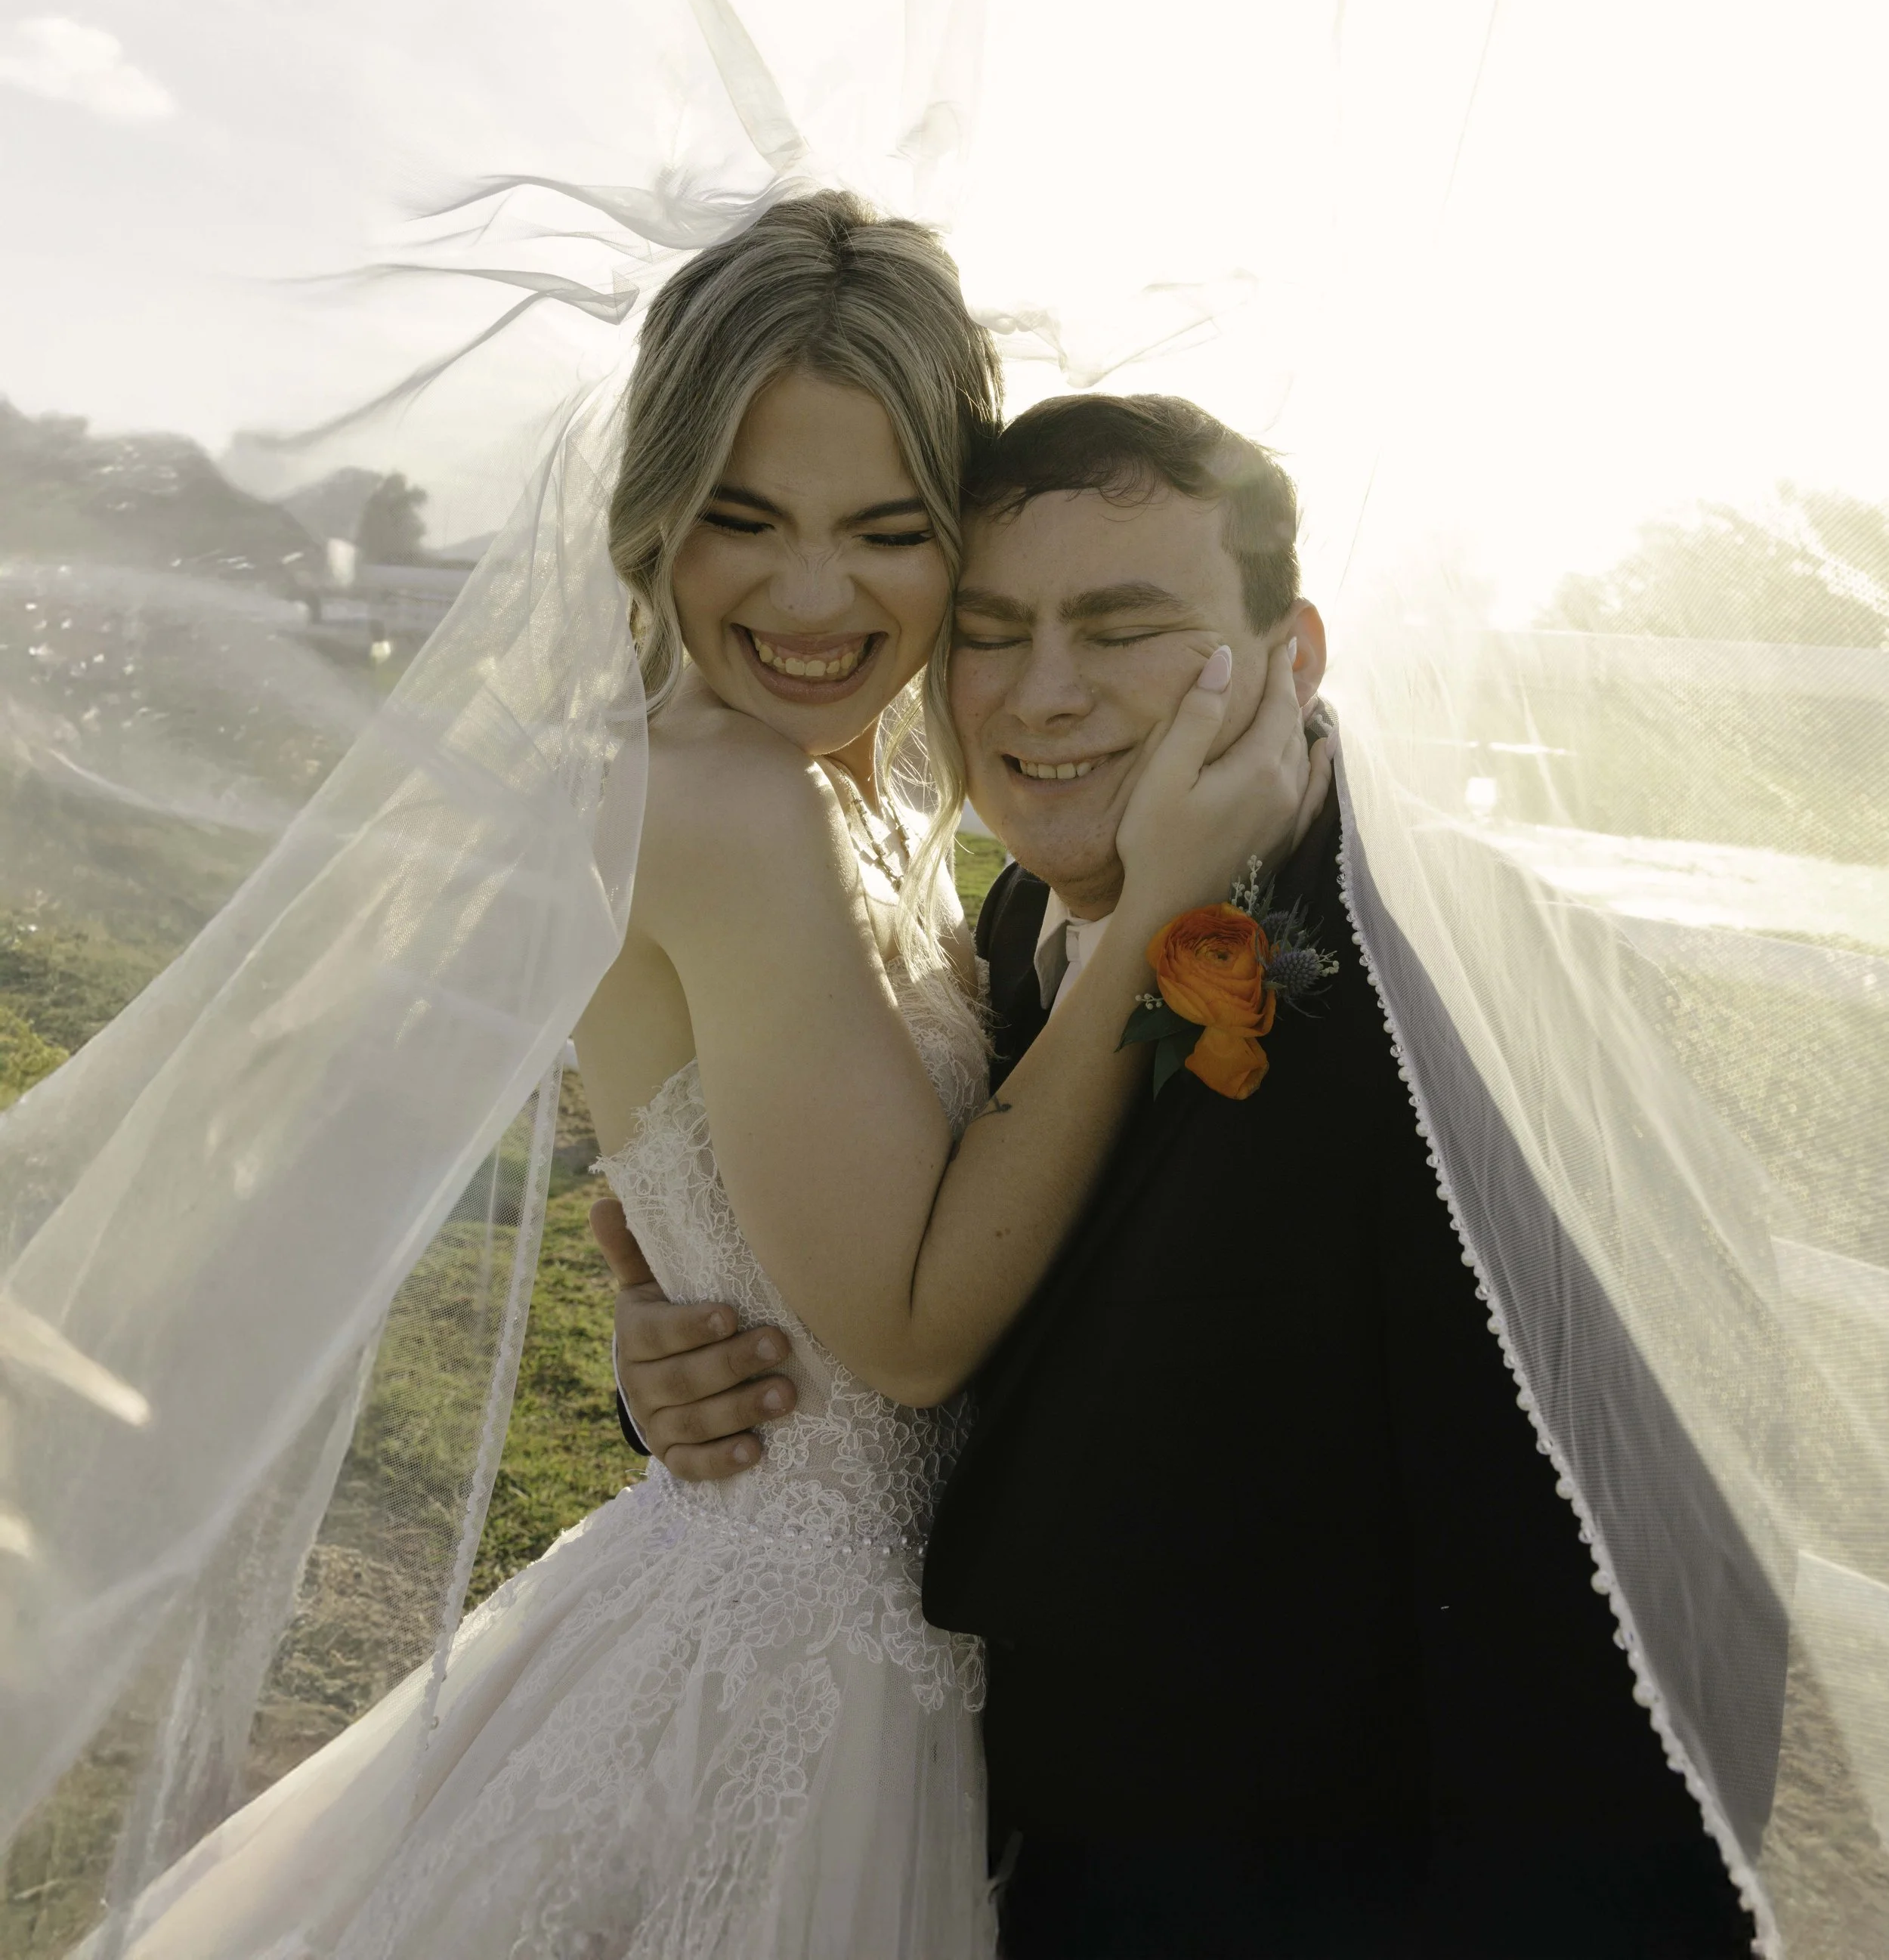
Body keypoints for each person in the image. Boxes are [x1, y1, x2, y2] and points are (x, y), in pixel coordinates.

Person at [97, 203, 1322, 1960]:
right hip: (793, 1675)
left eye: (885, 531)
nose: (813, 598)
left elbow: (796, 1207)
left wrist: (666, 1312)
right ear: (655, 509)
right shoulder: (721, 795)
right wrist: (1156, 921)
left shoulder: (837, 782)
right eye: (743, 520)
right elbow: (906, 1331)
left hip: (846, 1620)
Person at [609, 391, 1767, 1959]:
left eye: (1124, 626)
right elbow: (943, 1279)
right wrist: (708, 1363)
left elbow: (1648, 1646)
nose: (1044, 692)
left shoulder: (1484, 1019)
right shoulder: (1018, 927)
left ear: (1294, 656)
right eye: (991, 631)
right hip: (980, 1868)